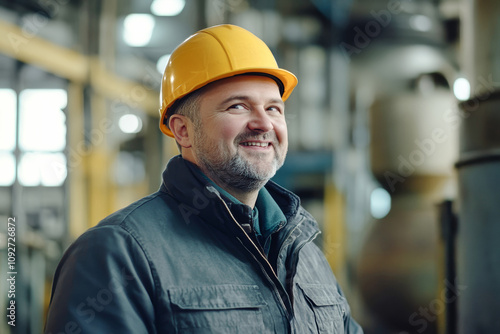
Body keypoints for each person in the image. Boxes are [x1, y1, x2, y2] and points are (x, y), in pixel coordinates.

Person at [45, 24, 363, 333]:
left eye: (274, 108)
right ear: (183, 130)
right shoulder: (116, 253)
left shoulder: (302, 251)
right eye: (238, 106)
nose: (264, 124)